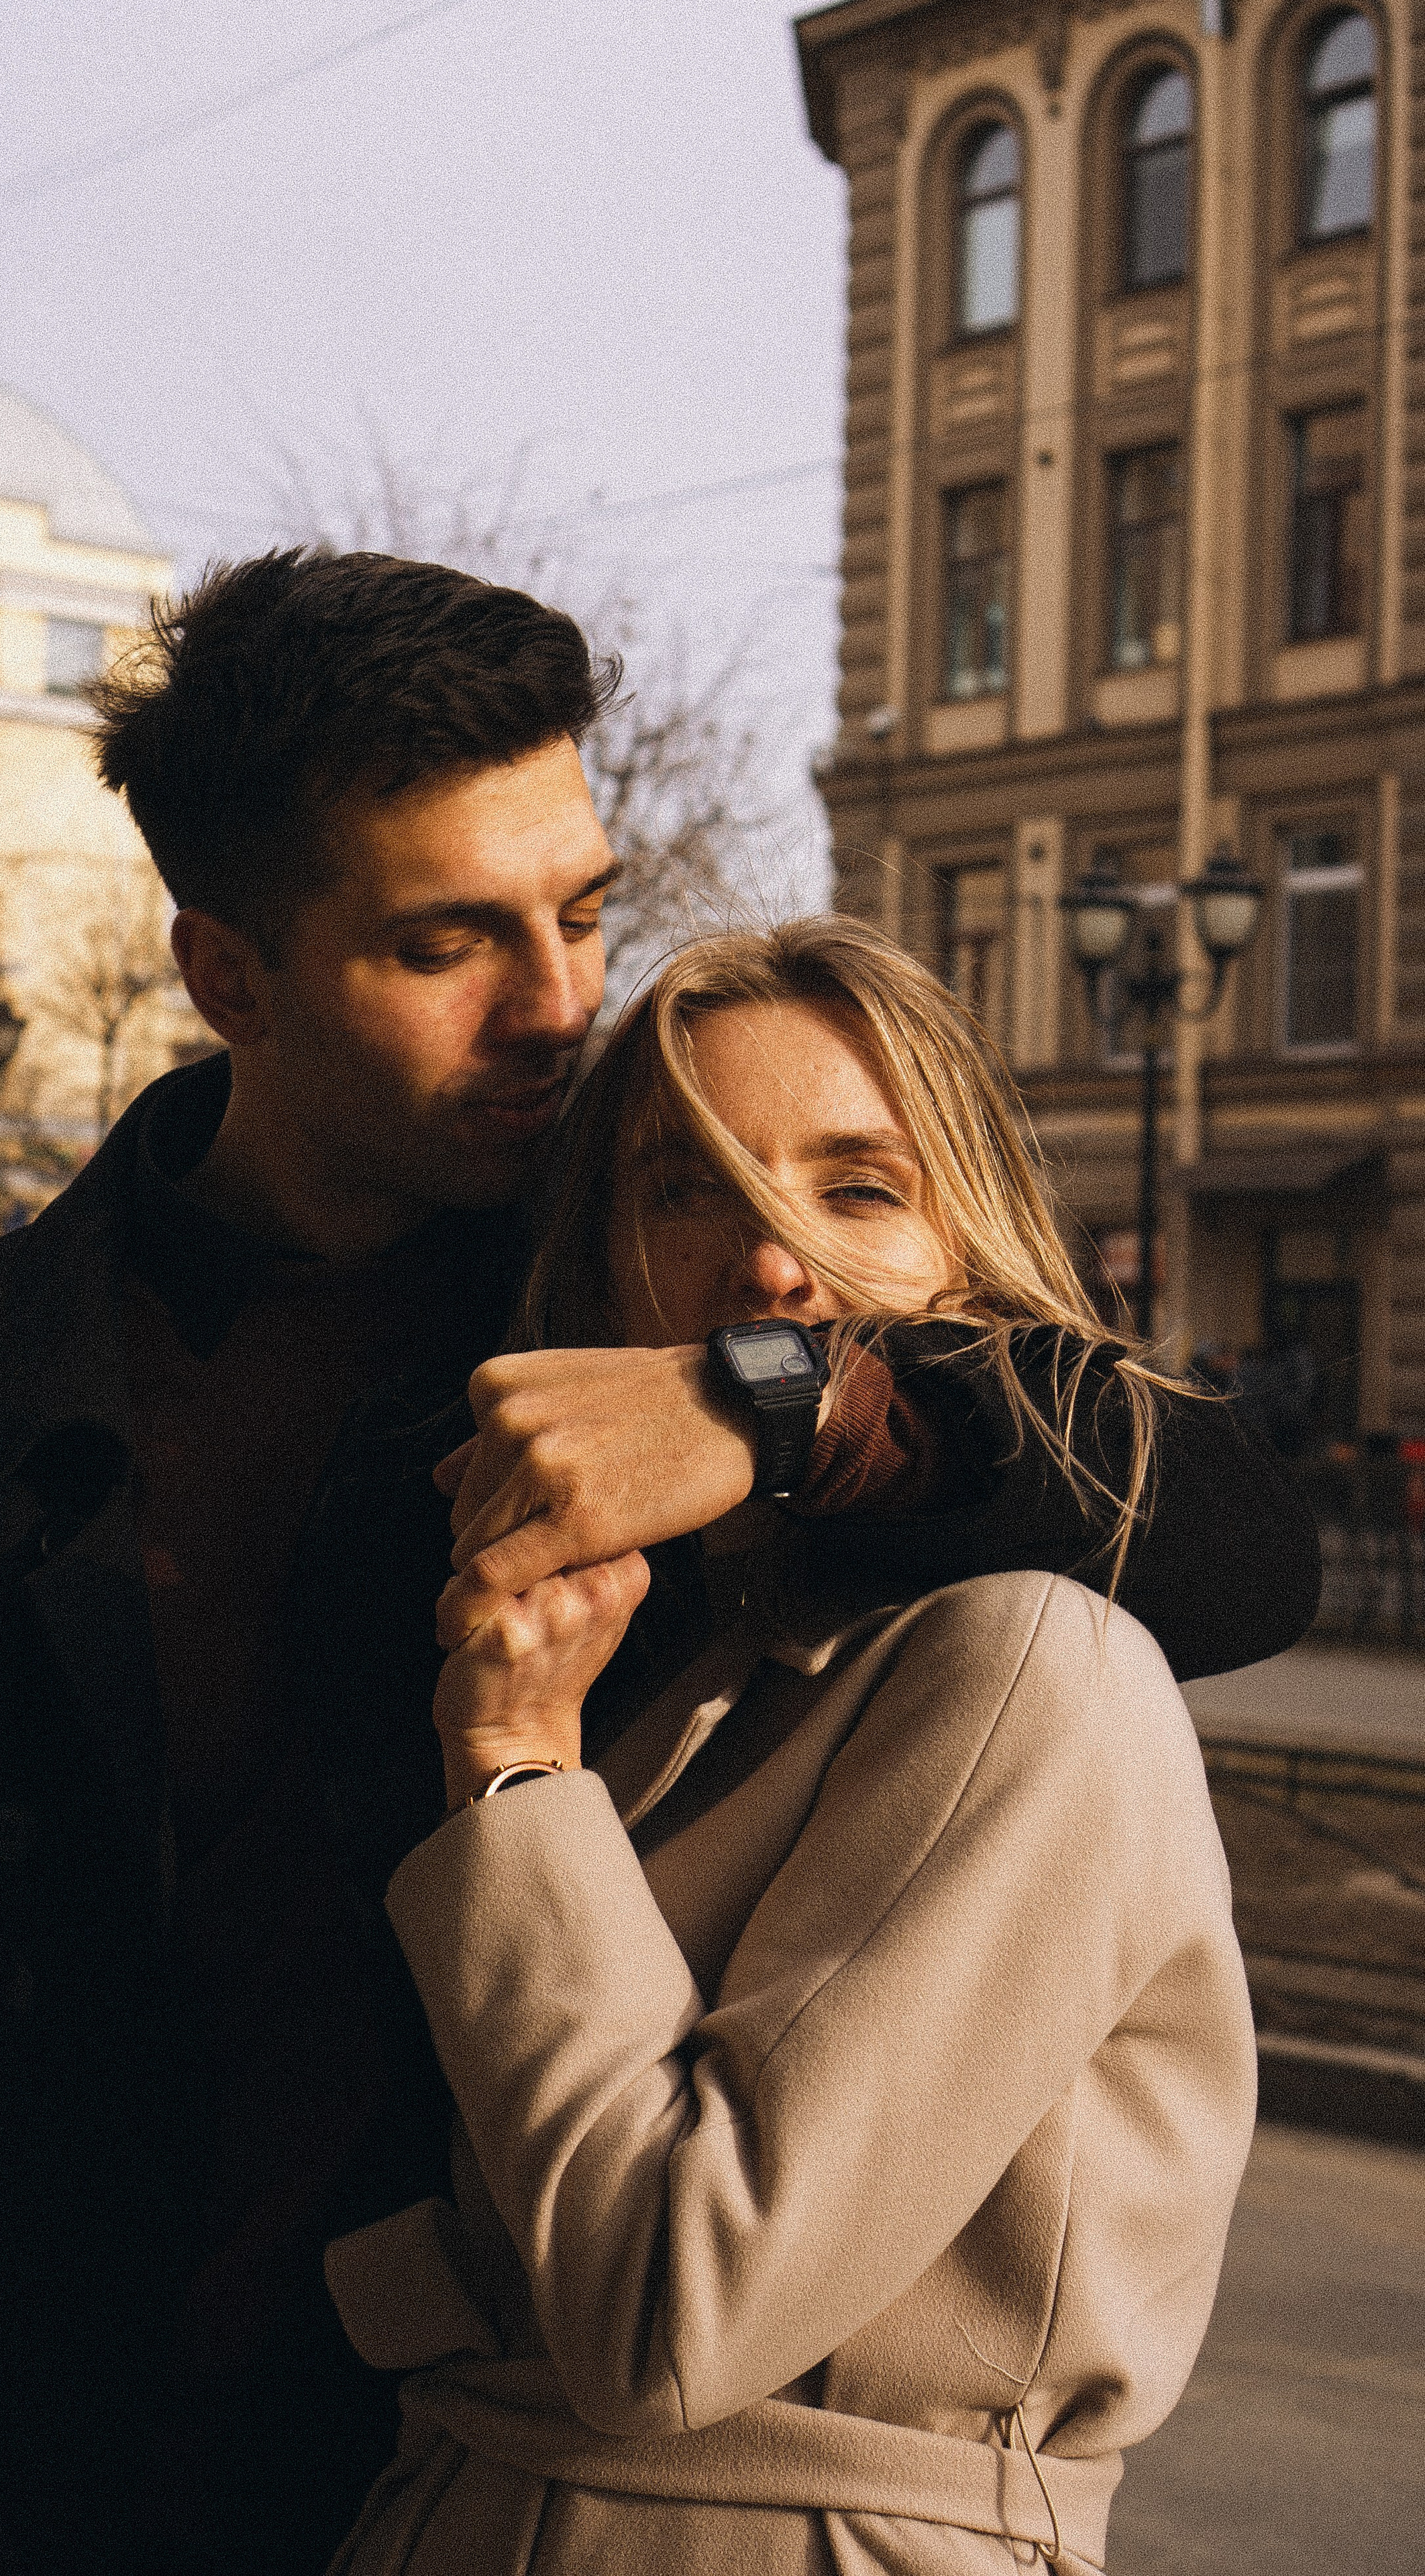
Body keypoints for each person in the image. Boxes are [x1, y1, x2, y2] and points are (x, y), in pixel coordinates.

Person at [0, 553, 1312, 2576]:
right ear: (231, 976)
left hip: (484, 2465)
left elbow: (1234, 1535)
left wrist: (772, 1393)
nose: (559, 1006)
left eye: (581, 910)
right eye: (448, 942)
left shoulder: (669, 1263)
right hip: (66, 2477)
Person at [323, 920, 1259, 2576]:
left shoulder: (1030, 1665)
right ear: (600, 1259)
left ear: (965, 1258)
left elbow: (668, 2314)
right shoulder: (633, 1640)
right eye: (685, 1189)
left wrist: (518, 1761)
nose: (766, 1260)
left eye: (856, 1188)